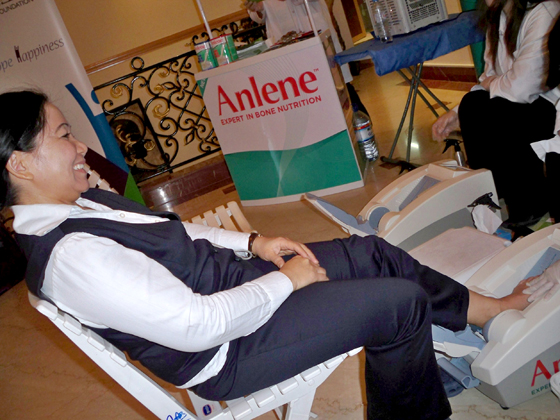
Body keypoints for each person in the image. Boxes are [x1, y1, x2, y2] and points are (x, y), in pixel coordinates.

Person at [3, 89, 549, 420]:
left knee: (372, 252)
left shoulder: (81, 203)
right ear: (20, 165)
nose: (80, 146)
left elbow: (176, 232)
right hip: (228, 350)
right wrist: (289, 280)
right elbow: (195, 327)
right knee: (400, 305)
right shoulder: (71, 255)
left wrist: (252, 243)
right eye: (64, 135)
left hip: (237, 287)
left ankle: (481, 309)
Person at [432, 0, 560, 226]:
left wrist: (492, 83)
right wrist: (456, 113)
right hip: (515, 100)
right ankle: (491, 195)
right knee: (472, 104)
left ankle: (530, 203)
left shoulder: (545, 10)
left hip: (547, 104)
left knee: (501, 112)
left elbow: (523, 87)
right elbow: (489, 79)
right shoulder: (498, 15)